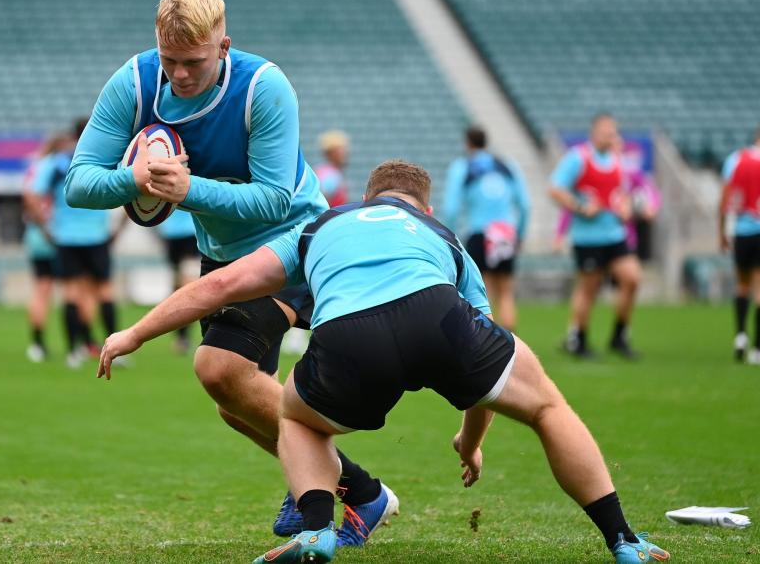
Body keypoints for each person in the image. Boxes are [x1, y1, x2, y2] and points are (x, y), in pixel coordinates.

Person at [98, 160, 670, 564]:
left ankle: (319, 531)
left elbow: (223, 284)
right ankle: (624, 540)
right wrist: (470, 444)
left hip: (350, 334)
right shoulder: (443, 237)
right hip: (437, 313)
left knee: (295, 417)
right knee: (547, 406)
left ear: (369, 200)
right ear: (423, 206)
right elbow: (482, 367)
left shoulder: (320, 226)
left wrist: (135, 333)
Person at [64, 0, 393, 543]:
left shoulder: (265, 87)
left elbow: (273, 198)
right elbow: (78, 183)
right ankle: (351, 488)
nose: (181, 74)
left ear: (224, 46)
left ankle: (346, 490)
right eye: (171, 60)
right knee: (233, 403)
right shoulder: (137, 81)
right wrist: (134, 177)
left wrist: (185, 189)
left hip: (293, 240)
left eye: (194, 60)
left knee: (219, 367)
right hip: (220, 254)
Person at [549, 114, 641, 359]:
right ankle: (578, 338)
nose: (610, 136)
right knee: (589, 288)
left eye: (613, 131)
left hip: (615, 234)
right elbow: (555, 189)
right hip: (588, 238)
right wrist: (579, 207)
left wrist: (626, 207)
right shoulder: (578, 157)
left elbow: (623, 193)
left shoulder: (618, 159)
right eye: (606, 131)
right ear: (594, 132)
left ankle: (619, 335)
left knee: (632, 278)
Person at [29, 120, 119, 369]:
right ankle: (115, 350)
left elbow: (34, 196)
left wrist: (46, 229)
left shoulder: (57, 163)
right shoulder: (106, 159)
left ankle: (73, 351)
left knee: (71, 294)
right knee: (104, 292)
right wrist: (117, 229)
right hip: (97, 236)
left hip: (66, 237)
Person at [443, 126, 529, 331]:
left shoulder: (463, 166)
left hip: (479, 232)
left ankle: (489, 344)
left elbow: (451, 208)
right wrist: (520, 234)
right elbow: (524, 205)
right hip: (505, 232)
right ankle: (513, 342)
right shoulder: (507, 165)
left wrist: (450, 237)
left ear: (467, 143)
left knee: (484, 290)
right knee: (506, 290)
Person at [719, 125, 760, 363]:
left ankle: (740, 335)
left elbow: (725, 199)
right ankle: (757, 348)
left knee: (742, 285)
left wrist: (722, 231)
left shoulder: (735, 159)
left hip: (742, 231)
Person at [23, 138, 61, 362]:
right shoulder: (57, 165)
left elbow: (28, 195)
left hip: (34, 236)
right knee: (74, 288)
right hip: (57, 233)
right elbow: (32, 197)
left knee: (41, 289)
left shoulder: (36, 166)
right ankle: (78, 344)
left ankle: (37, 344)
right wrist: (46, 227)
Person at [154, 208, 200, 355]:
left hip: (169, 233)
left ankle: (181, 336)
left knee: (180, 284)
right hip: (187, 232)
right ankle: (182, 337)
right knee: (188, 286)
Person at [314, 130, 350, 208]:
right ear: (331, 153)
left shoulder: (324, 170)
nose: (345, 153)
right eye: (340, 150)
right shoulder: (330, 174)